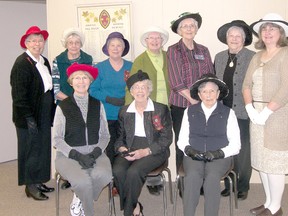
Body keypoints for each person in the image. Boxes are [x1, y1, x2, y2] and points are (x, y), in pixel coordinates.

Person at [243, 13, 288, 216]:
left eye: (272, 28)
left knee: (274, 162)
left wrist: (267, 111)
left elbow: (286, 87)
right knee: (262, 161)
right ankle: (268, 202)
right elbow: (246, 85)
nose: (268, 32)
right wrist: (250, 108)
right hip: (256, 115)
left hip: (278, 116)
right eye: (264, 29)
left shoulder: (285, 53)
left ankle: (276, 207)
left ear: (282, 33)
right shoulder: (256, 56)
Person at [53, 63, 112, 216]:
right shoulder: (63, 106)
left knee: (104, 175)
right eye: (77, 78)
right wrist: (77, 156)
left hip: (95, 151)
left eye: (84, 77)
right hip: (68, 154)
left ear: (90, 81)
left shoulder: (98, 104)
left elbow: (105, 135)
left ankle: (79, 197)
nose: (81, 81)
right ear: (71, 82)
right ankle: (87, 210)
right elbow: (57, 139)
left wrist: (94, 153)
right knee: (83, 182)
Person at [178, 73, 241, 216]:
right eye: (204, 91)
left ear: (218, 93)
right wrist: (189, 150)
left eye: (212, 91)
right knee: (192, 176)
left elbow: (236, 144)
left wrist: (218, 153)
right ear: (199, 95)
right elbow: (182, 139)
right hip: (194, 154)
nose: (208, 95)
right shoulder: (189, 111)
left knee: (212, 178)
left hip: (220, 156)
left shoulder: (228, 113)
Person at [112, 70, 173, 216]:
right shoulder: (124, 111)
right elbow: (119, 137)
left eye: (143, 87)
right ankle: (135, 206)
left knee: (134, 172)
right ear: (131, 92)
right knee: (118, 171)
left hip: (154, 150)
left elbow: (166, 138)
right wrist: (121, 148)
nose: (140, 91)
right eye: (136, 88)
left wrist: (145, 151)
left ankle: (128, 212)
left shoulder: (160, 109)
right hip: (130, 147)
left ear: (149, 90)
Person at [10, 26, 55, 200]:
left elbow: (48, 88)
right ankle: (30, 186)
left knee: (42, 147)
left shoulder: (43, 61)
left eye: (40, 40)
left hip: (43, 111)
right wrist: (29, 119)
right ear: (26, 43)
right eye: (33, 41)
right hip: (28, 114)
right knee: (29, 149)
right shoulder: (22, 63)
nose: (38, 44)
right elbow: (19, 96)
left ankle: (38, 181)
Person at [125, 26, 170, 196]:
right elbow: (131, 85)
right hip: (148, 107)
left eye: (158, 38)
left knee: (163, 140)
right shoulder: (140, 60)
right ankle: (152, 180)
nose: (154, 41)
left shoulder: (168, 56)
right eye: (151, 38)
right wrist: (131, 109)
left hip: (167, 107)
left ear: (162, 41)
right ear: (146, 42)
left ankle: (156, 175)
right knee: (150, 139)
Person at [167, 12, 214, 172]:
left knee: (200, 141)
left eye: (192, 25)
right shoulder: (173, 50)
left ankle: (200, 178)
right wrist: (193, 100)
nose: (189, 29)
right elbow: (176, 81)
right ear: (179, 31)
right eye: (185, 26)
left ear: (196, 29)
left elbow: (210, 76)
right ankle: (184, 182)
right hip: (181, 106)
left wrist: (205, 99)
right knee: (184, 143)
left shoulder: (204, 50)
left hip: (203, 105)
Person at [214, 20, 255, 200]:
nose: (234, 39)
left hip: (243, 110)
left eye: (238, 36)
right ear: (226, 38)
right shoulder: (220, 56)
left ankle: (243, 185)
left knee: (243, 150)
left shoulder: (252, 56)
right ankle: (230, 183)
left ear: (244, 39)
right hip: (224, 110)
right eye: (231, 36)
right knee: (227, 148)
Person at [52, 27, 93, 190]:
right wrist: (72, 101)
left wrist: (81, 100)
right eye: (70, 42)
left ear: (80, 44)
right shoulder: (58, 60)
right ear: (66, 44)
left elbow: (91, 82)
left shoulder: (88, 59)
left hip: (85, 106)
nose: (74, 45)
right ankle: (69, 175)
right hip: (65, 105)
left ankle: (83, 170)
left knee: (82, 138)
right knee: (66, 139)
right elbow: (55, 88)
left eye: (77, 42)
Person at [89, 31, 132, 165]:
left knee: (127, 147)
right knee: (111, 149)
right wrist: (109, 99)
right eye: (112, 45)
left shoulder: (131, 66)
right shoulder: (99, 68)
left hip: (127, 114)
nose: (115, 48)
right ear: (107, 49)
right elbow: (92, 90)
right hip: (107, 115)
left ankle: (123, 179)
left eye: (119, 45)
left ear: (123, 48)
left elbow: (137, 88)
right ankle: (112, 181)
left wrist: (126, 99)